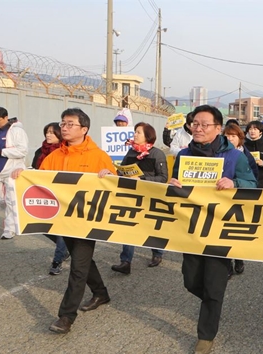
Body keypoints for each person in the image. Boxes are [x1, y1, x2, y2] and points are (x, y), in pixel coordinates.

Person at [13, 108, 117, 334]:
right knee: (84, 262)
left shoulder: (98, 156)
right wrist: (23, 173)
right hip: (61, 221)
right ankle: (101, 293)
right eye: (63, 124)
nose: (65, 128)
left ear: (84, 129)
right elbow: (39, 182)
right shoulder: (54, 156)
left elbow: (116, 187)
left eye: (70, 124)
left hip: (87, 221)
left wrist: (110, 176)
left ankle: (66, 317)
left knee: (78, 268)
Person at [170, 105, 257, 354]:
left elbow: (252, 184)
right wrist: (174, 185)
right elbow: (176, 186)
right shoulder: (184, 155)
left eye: (203, 124)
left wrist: (234, 182)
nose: (197, 128)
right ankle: (213, 298)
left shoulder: (234, 157)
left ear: (217, 128)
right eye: (194, 124)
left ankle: (205, 335)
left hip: (221, 229)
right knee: (191, 280)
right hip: (193, 228)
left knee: (213, 285)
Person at [101, 122, 168, 274]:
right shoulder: (131, 153)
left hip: (150, 197)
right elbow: (121, 172)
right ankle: (125, 261)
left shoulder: (157, 154)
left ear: (147, 136)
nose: (135, 135)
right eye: (135, 132)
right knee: (128, 227)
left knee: (150, 227)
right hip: (131, 196)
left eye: (138, 132)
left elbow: (163, 178)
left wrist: (142, 179)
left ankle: (157, 253)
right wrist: (111, 174)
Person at [32, 122, 70, 275]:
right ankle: (66, 247)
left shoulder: (65, 153)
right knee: (41, 226)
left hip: (62, 196)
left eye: (52, 133)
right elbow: (33, 171)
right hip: (43, 194)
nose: (48, 135)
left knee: (60, 229)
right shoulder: (39, 152)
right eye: (46, 132)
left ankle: (57, 261)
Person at [223, 122, 258, 276]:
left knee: (236, 233)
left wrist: (236, 184)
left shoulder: (245, 156)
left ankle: (239, 259)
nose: (230, 139)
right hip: (223, 199)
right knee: (224, 233)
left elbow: (253, 179)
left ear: (240, 138)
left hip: (241, 199)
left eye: (233, 136)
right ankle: (227, 265)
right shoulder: (219, 154)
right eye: (227, 136)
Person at [0, 106, 28, 239]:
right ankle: (13, 224)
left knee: (11, 201)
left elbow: (22, 150)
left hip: (12, 171)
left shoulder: (17, 131)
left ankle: (9, 230)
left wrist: (1, 152)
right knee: (1, 200)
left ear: (6, 117)